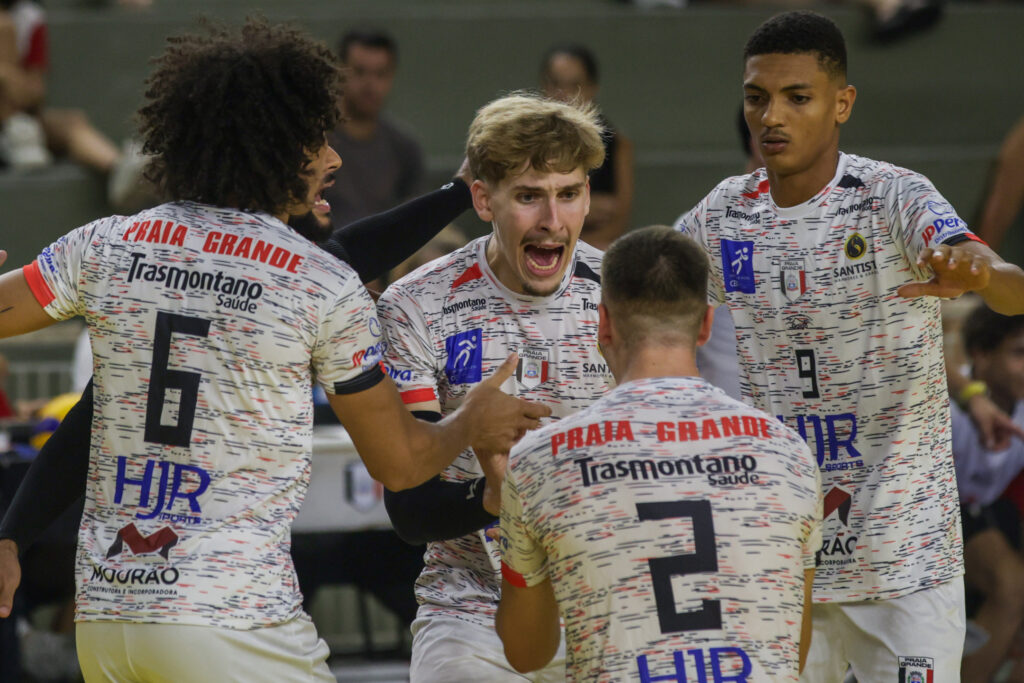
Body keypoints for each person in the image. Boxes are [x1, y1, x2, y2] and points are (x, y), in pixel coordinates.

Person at [0, 19, 547, 681]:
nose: (334, 158)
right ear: (274, 147)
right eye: (318, 140)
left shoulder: (108, 244)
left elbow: (87, 410)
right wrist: (471, 421)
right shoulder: (317, 283)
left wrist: (11, 533)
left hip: (110, 622)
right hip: (234, 622)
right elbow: (402, 464)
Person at [675, 10, 1024, 681]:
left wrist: (980, 272)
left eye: (797, 97)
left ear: (842, 103)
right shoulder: (723, 213)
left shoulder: (893, 196)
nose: (771, 116)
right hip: (785, 559)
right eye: (756, 97)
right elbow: (642, 286)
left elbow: (1008, 285)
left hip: (905, 562)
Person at [495, 225, 822, 680]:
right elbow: (792, 651)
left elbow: (526, 653)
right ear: (706, 324)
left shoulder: (539, 458)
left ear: (602, 323)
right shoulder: (788, 453)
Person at [377, 92, 609, 682]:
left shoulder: (621, 294)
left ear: (587, 195)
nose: (552, 220)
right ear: (483, 198)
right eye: (529, 196)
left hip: (606, 604)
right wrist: (489, 492)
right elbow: (408, 509)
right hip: (472, 608)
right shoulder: (416, 304)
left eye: (568, 194)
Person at [951, 304, 1024, 682]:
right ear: (980, 354)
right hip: (927, 520)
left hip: (988, 514)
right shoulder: (944, 402)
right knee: (1011, 586)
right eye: (1019, 353)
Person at [321, 28, 424, 229]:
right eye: (359, 72)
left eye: (380, 74)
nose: (370, 85)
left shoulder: (404, 147)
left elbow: (416, 217)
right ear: (339, 72)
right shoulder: (315, 141)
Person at [541, 44, 633, 250]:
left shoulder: (617, 143)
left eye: (574, 86)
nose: (563, 95)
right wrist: (585, 206)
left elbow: (618, 221)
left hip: (592, 247)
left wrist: (571, 247)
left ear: (592, 88)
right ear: (543, 87)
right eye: (555, 84)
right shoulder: (526, 143)